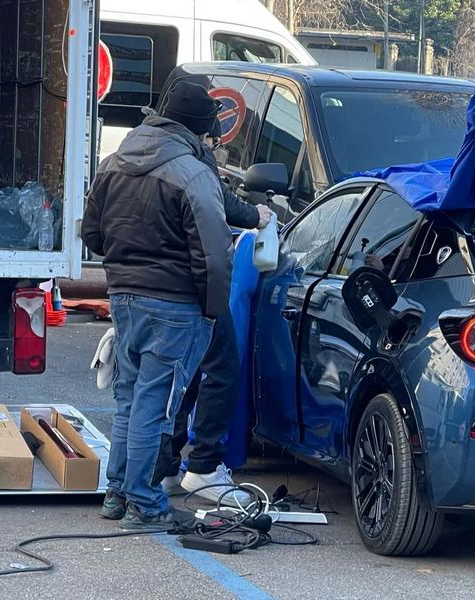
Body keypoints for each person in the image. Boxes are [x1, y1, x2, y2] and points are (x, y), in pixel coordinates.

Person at [82, 81, 232, 531]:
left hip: (124, 296)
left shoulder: (114, 163)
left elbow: (92, 232)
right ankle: (144, 501)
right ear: (198, 128)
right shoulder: (192, 172)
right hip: (175, 305)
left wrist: (127, 265)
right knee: (156, 405)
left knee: (129, 398)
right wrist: (213, 309)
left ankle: (118, 491)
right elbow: (213, 252)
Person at [153, 120, 273, 506]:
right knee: (221, 368)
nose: (215, 146)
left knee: (174, 378)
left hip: (151, 287)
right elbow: (217, 206)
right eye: (212, 137)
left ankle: (165, 468)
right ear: (201, 134)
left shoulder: (141, 155)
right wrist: (257, 217)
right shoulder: (191, 162)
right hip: (197, 288)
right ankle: (203, 466)